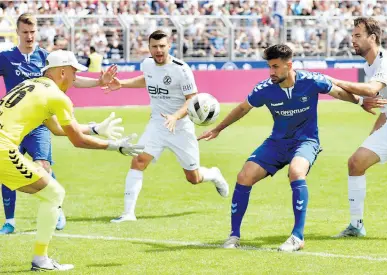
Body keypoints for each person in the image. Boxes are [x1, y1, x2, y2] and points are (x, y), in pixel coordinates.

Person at [198, 44, 384, 251]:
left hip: (306, 141)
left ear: (289, 65)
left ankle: (297, 236)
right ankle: (233, 235)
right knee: (244, 176)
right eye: (269, 67)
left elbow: (339, 92)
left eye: (276, 67)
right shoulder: (264, 89)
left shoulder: (310, 80)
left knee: (296, 172)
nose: (271, 72)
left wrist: (360, 103)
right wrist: (218, 129)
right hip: (276, 143)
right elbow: (243, 108)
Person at [0, 49, 143, 271]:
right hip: (3, 149)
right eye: (74, 72)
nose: (76, 77)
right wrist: (115, 146)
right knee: (54, 193)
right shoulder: (57, 96)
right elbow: (77, 140)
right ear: (63, 71)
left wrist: (95, 128)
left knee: (51, 193)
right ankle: (40, 259)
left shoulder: (33, 85)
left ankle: (41, 259)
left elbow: (57, 129)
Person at [0, 13, 117, 234]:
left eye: (33, 32)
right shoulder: (5, 57)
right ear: (17, 33)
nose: (29, 36)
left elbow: (70, 77)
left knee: (43, 164)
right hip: (13, 125)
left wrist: (98, 82)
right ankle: (10, 221)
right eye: (25, 32)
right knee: (8, 170)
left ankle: (57, 207)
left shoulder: (47, 57)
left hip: (40, 124)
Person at [103, 30, 229, 223]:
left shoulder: (182, 69)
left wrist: (175, 116)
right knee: (138, 161)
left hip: (181, 128)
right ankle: (128, 213)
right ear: (149, 48)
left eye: (162, 46)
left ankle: (213, 174)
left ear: (169, 46)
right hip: (157, 124)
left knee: (193, 178)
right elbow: (148, 79)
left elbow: (192, 99)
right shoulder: (146, 64)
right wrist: (123, 84)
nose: (158, 50)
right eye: (154, 46)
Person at [327, 17, 387, 238]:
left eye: (357, 36)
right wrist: (373, 136)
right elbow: (383, 106)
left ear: (372, 38)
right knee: (356, 162)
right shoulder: (369, 66)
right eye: (352, 35)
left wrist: (333, 80)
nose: (352, 40)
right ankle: (356, 225)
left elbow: (371, 89)